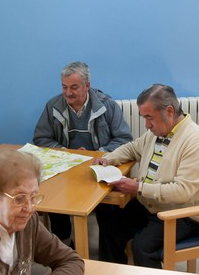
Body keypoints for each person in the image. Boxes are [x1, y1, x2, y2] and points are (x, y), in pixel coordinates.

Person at [94, 84, 199, 269]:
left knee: (142, 247)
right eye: (144, 118)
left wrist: (139, 188)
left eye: (149, 118)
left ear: (169, 111)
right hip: (154, 204)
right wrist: (108, 159)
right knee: (111, 226)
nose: (146, 125)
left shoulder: (195, 141)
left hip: (187, 214)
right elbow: (133, 148)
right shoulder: (158, 131)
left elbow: (182, 191)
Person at [32, 61, 132, 242]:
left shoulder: (107, 105)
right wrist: (66, 152)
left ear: (87, 86)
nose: (68, 93)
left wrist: (97, 153)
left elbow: (124, 139)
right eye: (64, 87)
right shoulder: (53, 106)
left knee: (107, 206)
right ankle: (65, 245)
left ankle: (107, 253)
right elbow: (41, 139)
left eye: (74, 87)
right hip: (65, 169)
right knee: (55, 199)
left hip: (98, 167)